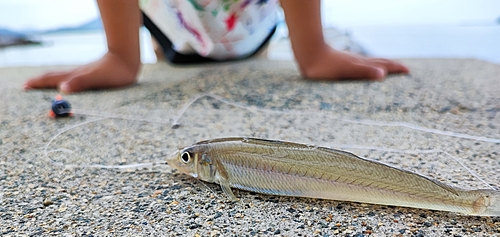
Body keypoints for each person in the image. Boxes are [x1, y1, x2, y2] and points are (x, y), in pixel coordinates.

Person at [24, 0, 409, 93]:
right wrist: (121, 55)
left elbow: (314, 54)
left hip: (255, 25)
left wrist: (314, 50)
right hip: (171, 30)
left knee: (250, 49)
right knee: (176, 55)